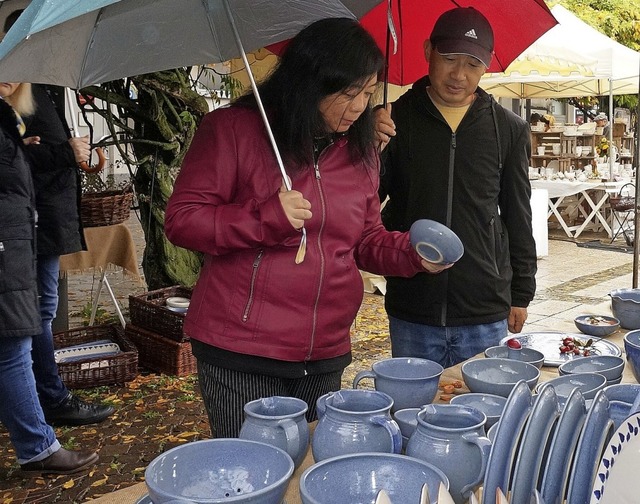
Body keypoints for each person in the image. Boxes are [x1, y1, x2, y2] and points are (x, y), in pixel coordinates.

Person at [164, 17, 441, 438]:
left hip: (325, 350)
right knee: (253, 473)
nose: (358, 108)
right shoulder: (233, 130)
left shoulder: (360, 149)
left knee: (311, 468)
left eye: (367, 93)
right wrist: (264, 217)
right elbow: (183, 220)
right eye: (347, 94)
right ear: (310, 82)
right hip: (242, 348)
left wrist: (410, 253)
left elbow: (365, 240)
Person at [374, 7, 538, 368]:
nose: (459, 75)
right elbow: (365, 202)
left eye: (473, 64)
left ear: (487, 66)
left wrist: (521, 293)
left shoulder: (508, 129)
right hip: (412, 306)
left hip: (484, 309)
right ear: (427, 50)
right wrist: (368, 148)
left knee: (484, 417)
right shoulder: (393, 121)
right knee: (414, 415)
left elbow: (517, 213)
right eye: (449, 59)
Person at [1, 81, 114, 426]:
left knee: (38, 313)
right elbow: (15, 160)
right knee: (34, 315)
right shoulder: (16, 98)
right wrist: (65, 152)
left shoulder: (38, 90)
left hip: (42, 218)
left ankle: (40, 399)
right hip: (31, 222)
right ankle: (50, 399)